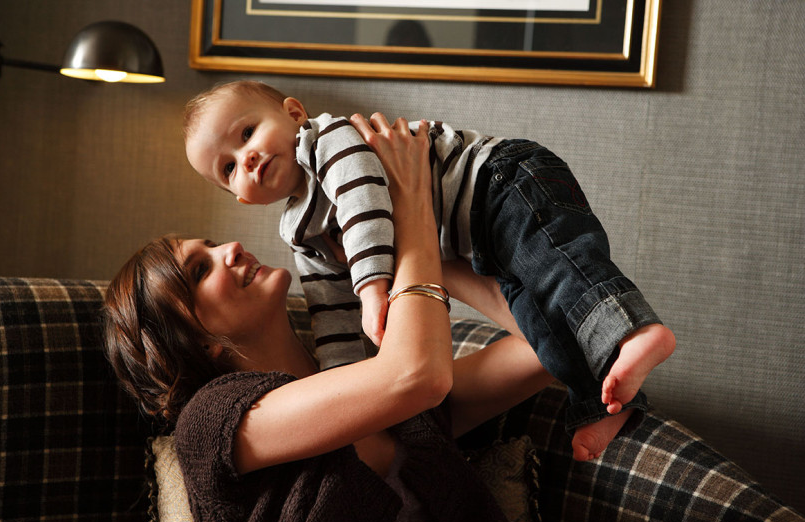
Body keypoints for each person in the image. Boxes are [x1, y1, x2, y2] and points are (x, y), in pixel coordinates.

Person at [103, 114, 553, 522]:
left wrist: (397, 249)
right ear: (194, 340)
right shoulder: (209, 424)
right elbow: (418, 377)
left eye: (211, 244)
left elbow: (549, 345)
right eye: (201, 270)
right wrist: (410, 203)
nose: (231, 249)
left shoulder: (365, 378)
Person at [182, 80, 676, 461]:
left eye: (247, 133)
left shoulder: (328, 139)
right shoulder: (302, 232)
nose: (245, 158)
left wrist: (374, 289)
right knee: (540, 309)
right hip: (467, 243)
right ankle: (603, 401)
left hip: (498, 182)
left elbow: (365, 201)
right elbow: (331, 307)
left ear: (294, 114)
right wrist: (348, 377)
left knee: (559, 268)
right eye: (228, 169)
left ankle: (636, 328)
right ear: (240, 197)